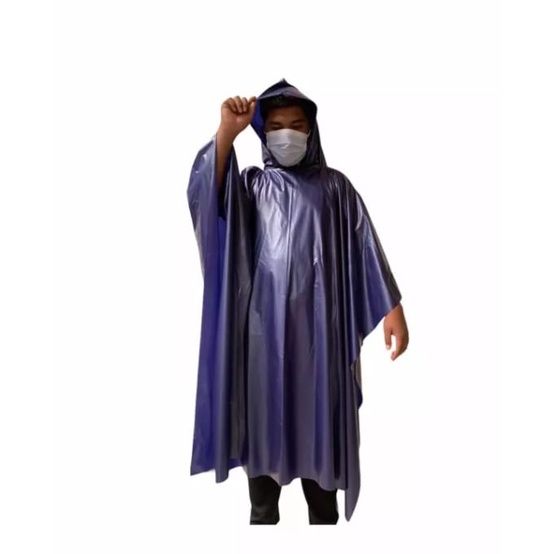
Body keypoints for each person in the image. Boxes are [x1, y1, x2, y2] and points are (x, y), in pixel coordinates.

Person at [186, 78, 409, 524]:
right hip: (262, 344)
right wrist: (227, 133)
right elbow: (210, 200)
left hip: (321, 346)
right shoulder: (250, 187)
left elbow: (365, 246)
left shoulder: (335, 189)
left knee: (321, 479)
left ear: (311, 131)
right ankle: (263, 514)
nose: (286, 134)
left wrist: (392, 307)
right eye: (275, 126)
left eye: (296, 125)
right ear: (263, 133)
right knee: (262, 483)